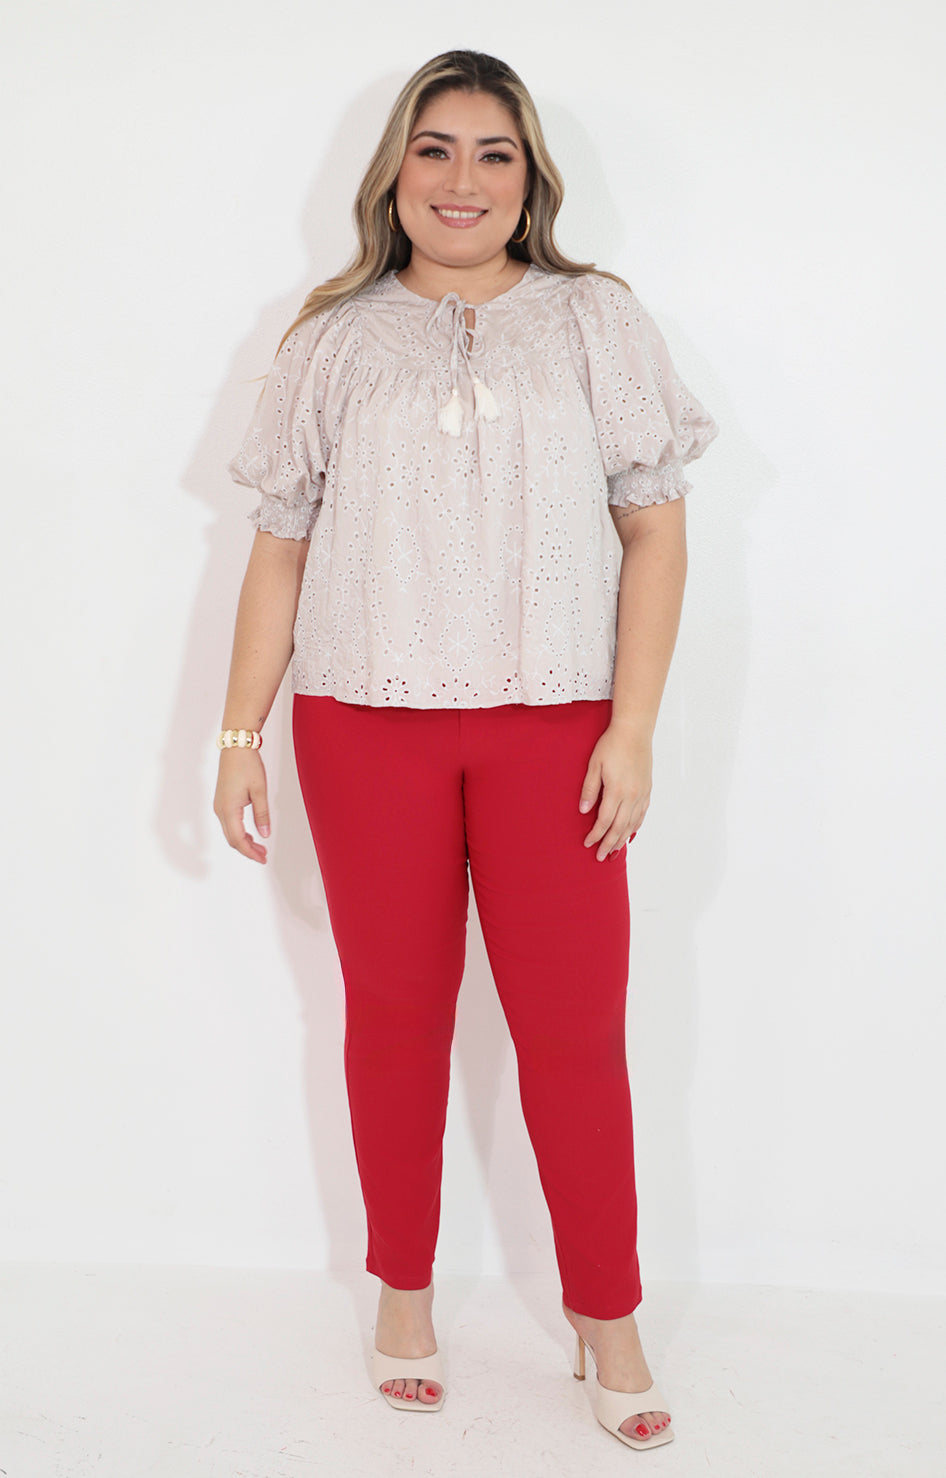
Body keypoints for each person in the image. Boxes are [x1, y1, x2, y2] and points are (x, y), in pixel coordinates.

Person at [214, 49, 717, 1452]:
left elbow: (655, 530)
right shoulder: (330, 339)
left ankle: (606, 1315)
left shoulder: (596, 322)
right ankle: (401, 1289)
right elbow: (278, 549)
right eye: (434, 149)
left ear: (530, 178)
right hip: (362, 726)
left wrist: (630, 725)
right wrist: (239, 733)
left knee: (575, 1033)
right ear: (394, 173)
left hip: (554, 729)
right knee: (393, 1021)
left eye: (494, 153)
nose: (461, 180)